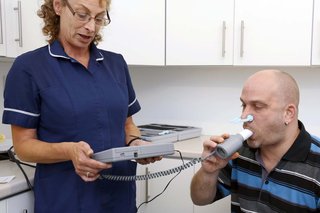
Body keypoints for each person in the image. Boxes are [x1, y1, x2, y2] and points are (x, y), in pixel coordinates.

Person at [2, 0, 161, 212]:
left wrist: (136, 143)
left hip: (119, 198)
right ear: (58, 6)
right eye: (82, 14)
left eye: (99, 18)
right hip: (66, 200)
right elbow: (23, 147)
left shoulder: (116, 64)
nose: (91, 27)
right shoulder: (29, 68)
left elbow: (127, 125)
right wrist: (70, 151)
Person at [190, 69, 320, 212]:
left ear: (288, 114)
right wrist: (208, 172)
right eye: (243, 105)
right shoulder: (237, 151)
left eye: (258, 106)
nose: (244, 115)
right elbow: (200, 199)